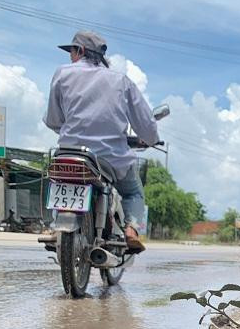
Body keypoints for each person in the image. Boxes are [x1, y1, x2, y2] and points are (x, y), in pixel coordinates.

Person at [44, 30, 158, 253]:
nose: (70, 57)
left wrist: (70, 129)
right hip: (111, 158)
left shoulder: (61, 74)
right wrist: (150, 139)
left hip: (70, 153)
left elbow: (53, 119)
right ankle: (132, 229)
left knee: (60, 181)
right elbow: (147, 125)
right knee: (133, 193)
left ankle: (55, 225)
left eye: (72, 52)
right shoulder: (120, 81)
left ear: (81, 51)